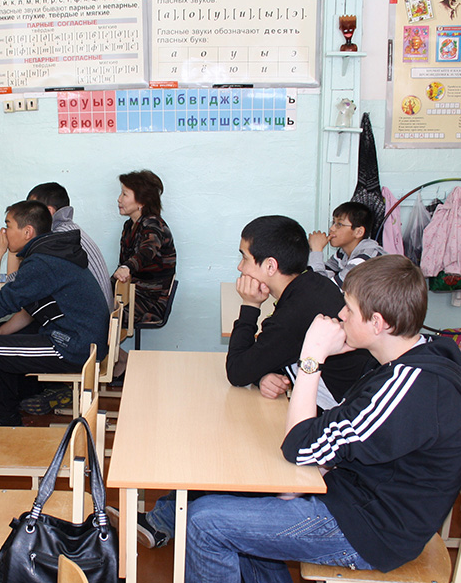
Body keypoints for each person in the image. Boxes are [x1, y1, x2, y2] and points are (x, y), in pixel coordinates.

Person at [184, 255, 461, 583]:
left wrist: (312, 357)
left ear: (377, 323)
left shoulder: (408, 388)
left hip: (371, 531)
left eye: (349, 309)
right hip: (358, 498)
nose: (340, 314)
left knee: (206, 522)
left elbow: (299, 446)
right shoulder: (404, 363)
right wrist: (305, 480)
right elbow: (342, 436)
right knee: (248, 499)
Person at [117, 216, 376, 549]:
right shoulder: (311, 285)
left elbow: (238, 370)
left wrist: (250, 306)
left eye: (244, 257)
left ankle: (172, 524)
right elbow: (272, 356)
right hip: (326, 409)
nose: (240, 267)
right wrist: (268, 371)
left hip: (337, 436)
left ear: (270, 266)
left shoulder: (297, 307)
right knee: (228, 434)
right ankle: (163, 520)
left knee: (230, 447)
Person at [0, 200, 109, 458]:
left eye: (8, 226)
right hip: (79, 338)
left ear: (27, 232)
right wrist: (2, 332)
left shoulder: (42, 263)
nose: (4, 233)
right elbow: (31, 308)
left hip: (73, 346)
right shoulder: (51, 253)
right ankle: (8, 422)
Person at [4, 182, 113, 307]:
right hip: (99, 316)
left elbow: (15, 290)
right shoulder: (69, 231)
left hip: (87, 319)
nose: (26, 213)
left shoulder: (55, 241)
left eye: (31, 208)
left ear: (49, 212)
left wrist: (10, 247)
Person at [114, 170, 176, 325]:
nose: (119, 199)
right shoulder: (129, 225)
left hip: (151, 300)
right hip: (132, 293)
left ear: (141, 202)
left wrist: (126, 267)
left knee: (102, 317)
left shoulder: (154, 225)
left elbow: (146, 252)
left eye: (124, 195)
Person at [308, 201, 387, 288]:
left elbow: (325, 289)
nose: (331, 228)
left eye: (339, 224)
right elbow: (321, 276)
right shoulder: (343, 253)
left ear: (359, 232)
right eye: (333, 222)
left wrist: (316, 250)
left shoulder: (365, 258)